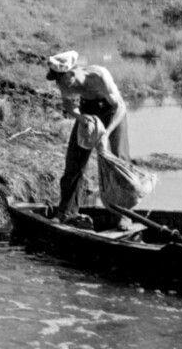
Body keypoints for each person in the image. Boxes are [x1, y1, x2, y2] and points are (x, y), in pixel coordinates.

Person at [46, 50, 131, 229]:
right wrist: (81, 118)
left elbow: (120, 107)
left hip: (112, 113)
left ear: (71, 72)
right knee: (74, 163)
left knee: (120, 163)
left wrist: (106, 133)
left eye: (60, 79)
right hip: (88, 112)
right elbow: (69, 104)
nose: (58, 84)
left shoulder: (99, 76)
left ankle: (123, 216)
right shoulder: (66, 85)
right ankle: (66, 212)